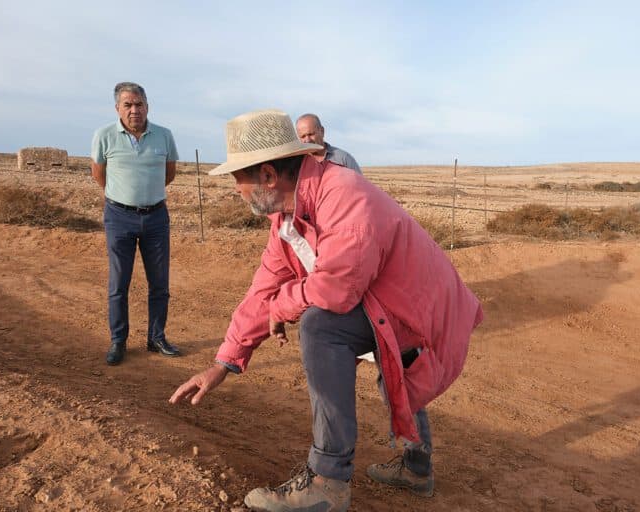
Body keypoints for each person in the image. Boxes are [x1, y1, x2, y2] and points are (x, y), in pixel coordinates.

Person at [169, 109, 482, 512]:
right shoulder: (288, 219)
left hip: (422, 310)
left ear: (267, 175)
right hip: (396, 304)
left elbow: (337, 287)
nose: (235, 190)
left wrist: (284, 305)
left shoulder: (342, 195)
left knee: (321, 326)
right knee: (394, 362)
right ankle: (416, 468)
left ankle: (328, 482)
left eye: (237, 179)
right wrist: (224, 362)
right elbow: (263, 289)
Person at [91, 82, 181, 366]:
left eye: (139, 104)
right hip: (119, 217)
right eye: (128, 105)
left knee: (160, 283)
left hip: (156, 216)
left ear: (147, 106)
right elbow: (98, 174)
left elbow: (169, 174)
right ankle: (118, 341)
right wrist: (124, 198)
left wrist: (146, 196)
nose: (134, 110)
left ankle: (156, 338)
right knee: (119, 283)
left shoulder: (164, 136)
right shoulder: (104, 136)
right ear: (118, 108)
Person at [295, 113, 362, 174]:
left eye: (311, 134)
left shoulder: (343, 159)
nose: (307, 140)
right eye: (303, 136)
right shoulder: (297, 163)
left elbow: (360, 185)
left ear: (322, 131)